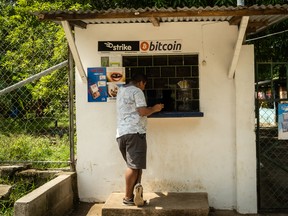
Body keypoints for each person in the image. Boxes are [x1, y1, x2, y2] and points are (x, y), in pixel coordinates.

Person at [116, 73, 164, 206]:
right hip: (135, 133)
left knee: (136, 167)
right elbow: (142, 111)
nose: (144, 88)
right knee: (133, 167)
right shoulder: (137, 91)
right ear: (141, 82)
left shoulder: (121, 90)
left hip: (122, 134)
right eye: (144, 85)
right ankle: (127, 198)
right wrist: (155, 108)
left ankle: (137, 196)